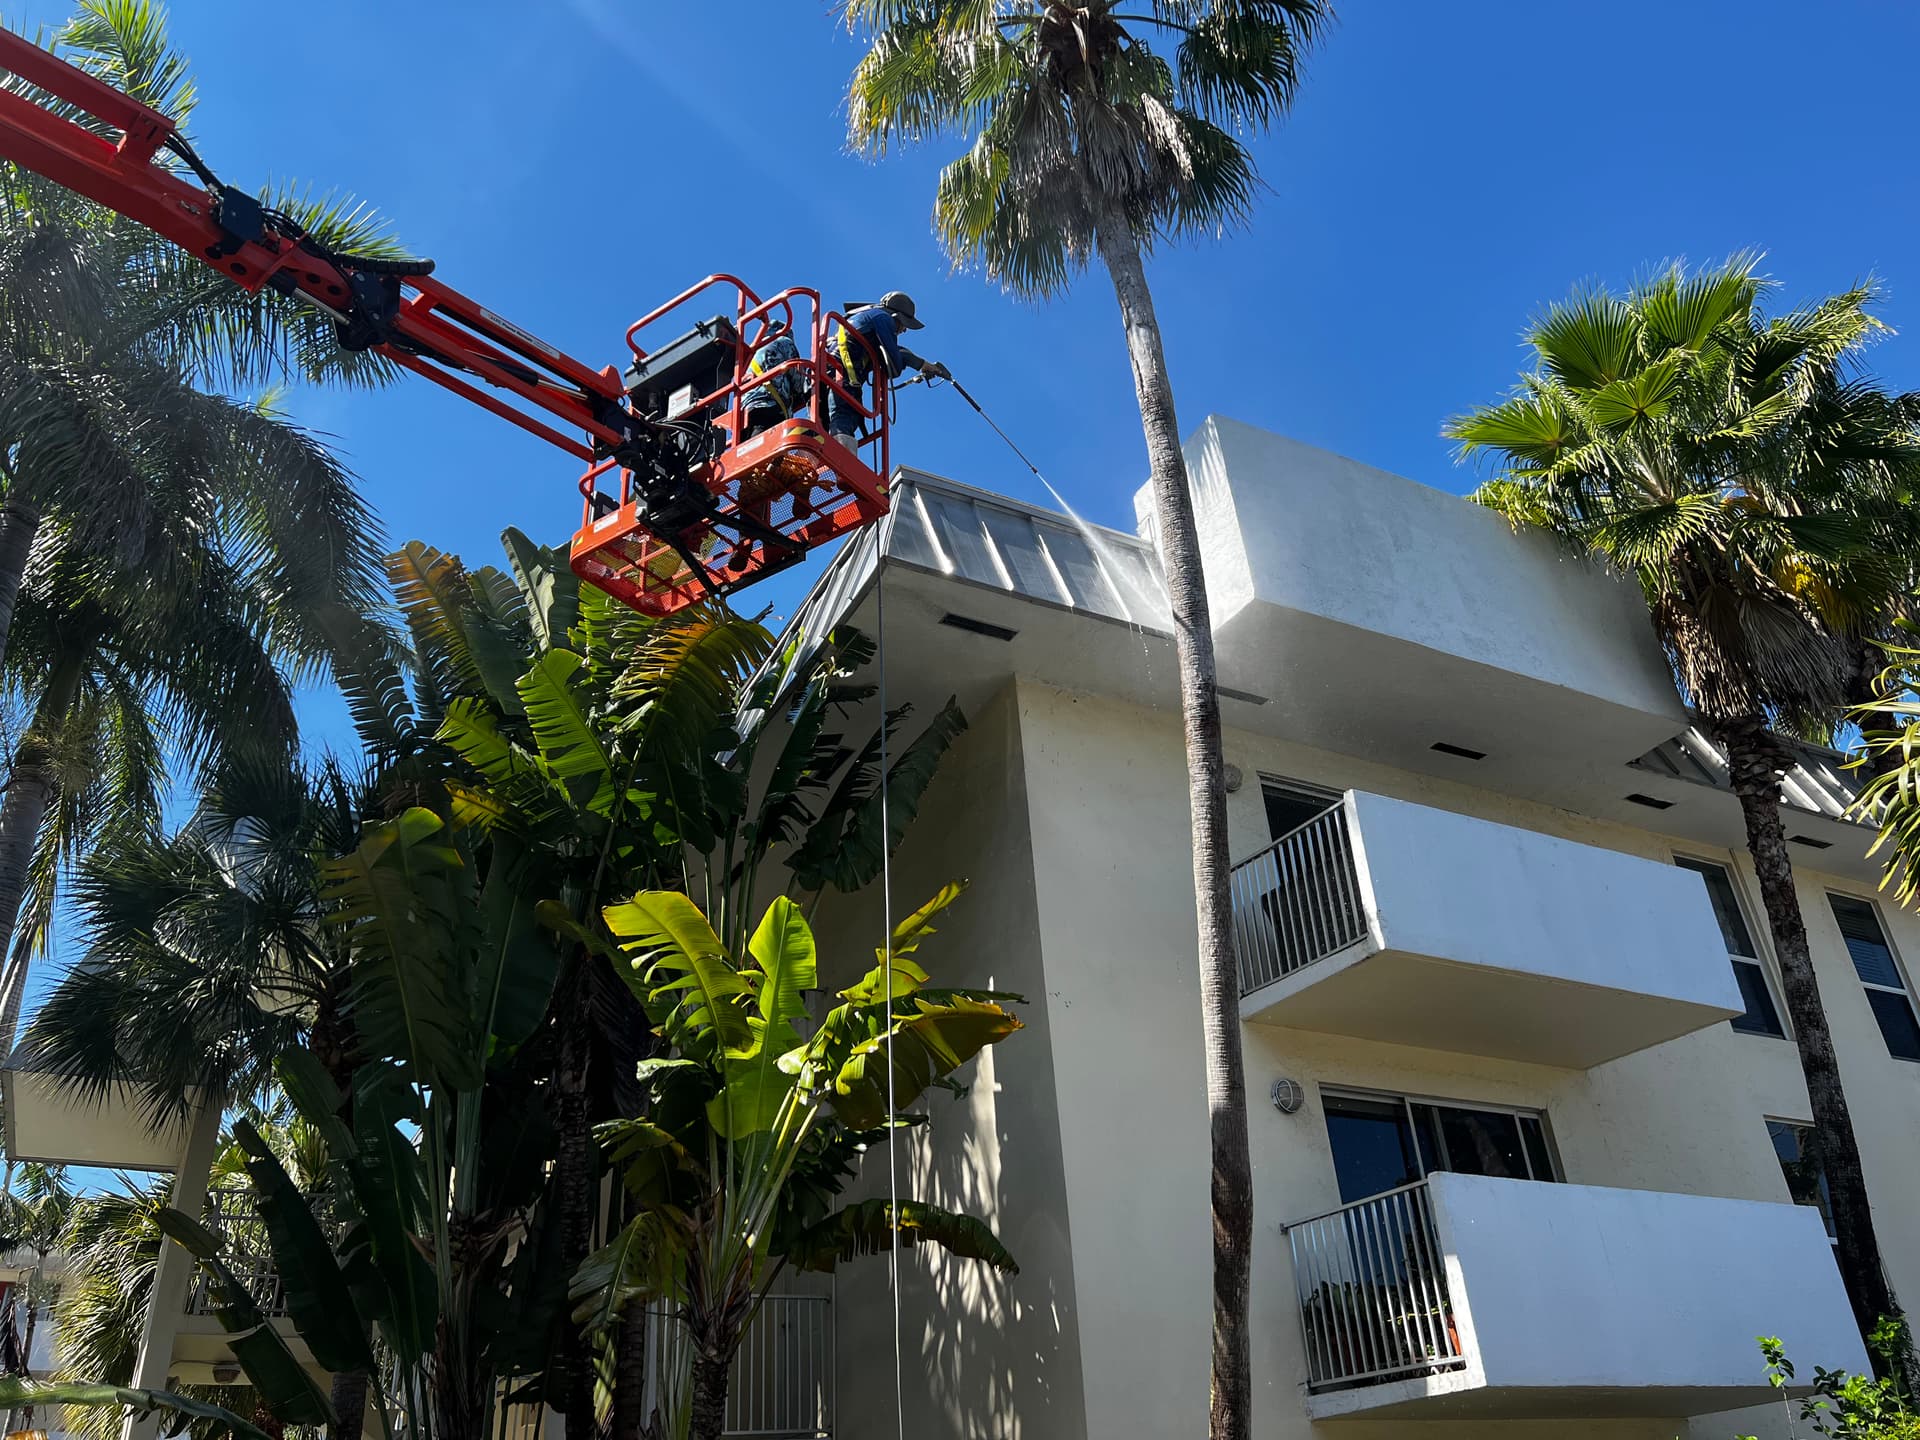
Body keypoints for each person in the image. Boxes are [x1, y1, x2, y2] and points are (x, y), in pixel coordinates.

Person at [828, 291, 950, 448]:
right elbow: (894, 363)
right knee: (845, 417)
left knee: (821, 423)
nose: (904, 330)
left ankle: (802, 462)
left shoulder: (864, 318)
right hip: (841, 374)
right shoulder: (883, 318)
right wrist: (919, 363)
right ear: (896, 317)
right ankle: (841, 465)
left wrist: (919, 363)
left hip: (827, 371)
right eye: (904, 324)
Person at [740, 323, 810, 440]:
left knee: (749, 446)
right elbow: (799, 382)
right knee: (764, 446)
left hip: (746, 409)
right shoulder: (784, 342)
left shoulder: (754, 350)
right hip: (769, 406)